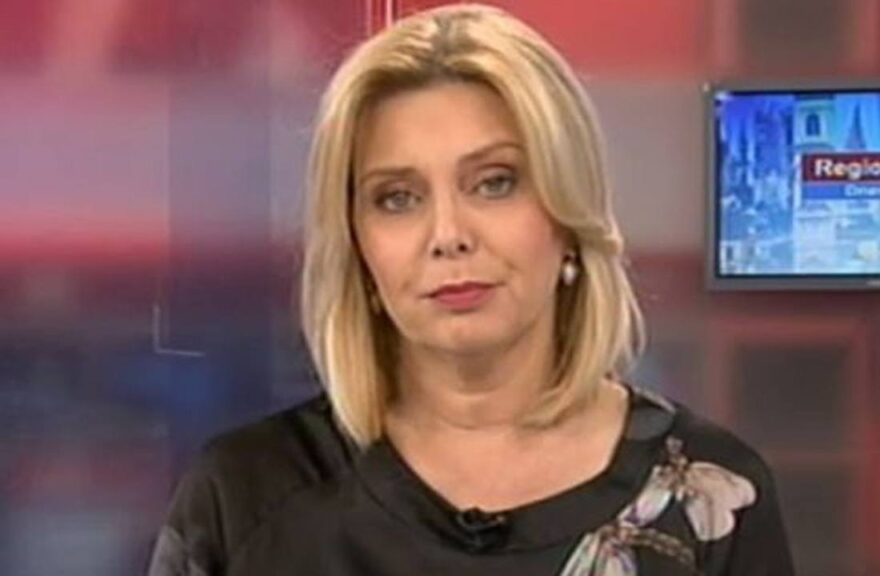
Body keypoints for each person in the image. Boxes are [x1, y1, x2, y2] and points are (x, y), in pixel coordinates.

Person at [147, 4, 794, 575]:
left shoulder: (713, 495)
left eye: (494, 183)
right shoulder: (243, 497)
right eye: (397, 197)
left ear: (569, 217)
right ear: (358, 246)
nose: (449, 235)